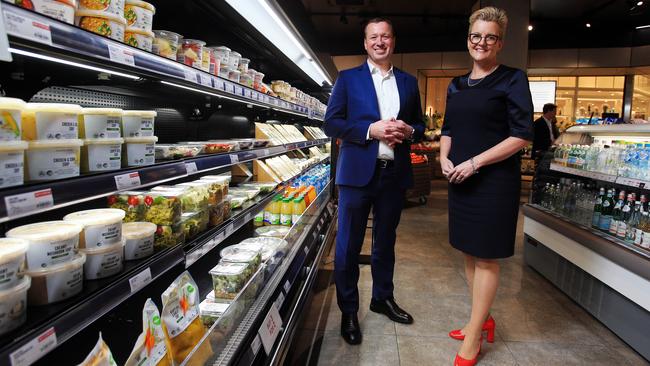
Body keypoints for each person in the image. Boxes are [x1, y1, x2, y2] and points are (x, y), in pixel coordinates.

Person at [440, 7, 533, 366]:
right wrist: (444, 159)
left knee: (486, 257)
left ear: (500, 42)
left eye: (489, 37)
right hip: (459, 177)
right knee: (467, 250)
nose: (481, 42)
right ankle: (482, 319)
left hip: (493, 182)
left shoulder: (512, 79)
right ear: (468, 39)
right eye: (475, 36)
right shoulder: (457, 84)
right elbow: (448, 129)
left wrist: (476, 162)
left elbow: (522, 135)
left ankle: (476, 334)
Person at [323, 17, 425, 345]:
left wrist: (409, 131)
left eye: (385, 36)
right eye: (373, 37)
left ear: (393, 41)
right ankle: (349, 310)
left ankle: (382, 298)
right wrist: (371, 130)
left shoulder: (409, 82)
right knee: (348, 246)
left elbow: (420, 126)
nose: (380, 42)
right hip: (356, 176)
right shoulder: (348, 79)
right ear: (365, 43)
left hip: (393, 175)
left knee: (386, 243)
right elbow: (332, 123)